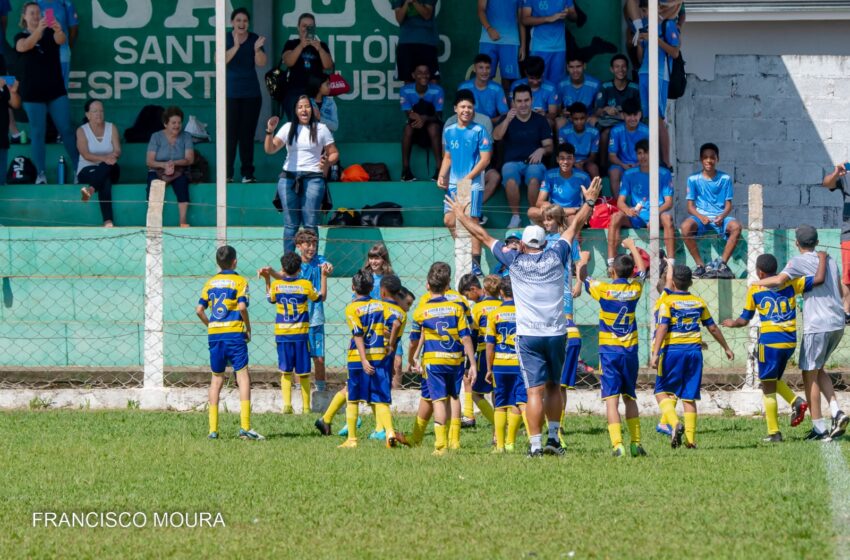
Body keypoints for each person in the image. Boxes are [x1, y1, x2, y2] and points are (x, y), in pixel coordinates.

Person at [445, 176, 603, 457]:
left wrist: (461, 215)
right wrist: (589, 201)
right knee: (553, 387)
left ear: (523, 243)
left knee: (533, 392)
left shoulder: (514, 260)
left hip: (529, 336)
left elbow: (482, 235)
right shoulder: (556, 254)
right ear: (544, 241)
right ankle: (554, 438)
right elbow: (575, 225)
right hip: (556, 332)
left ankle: (536, 445)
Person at [755, 225, 849, 441]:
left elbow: (779, 280)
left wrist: (756, 283)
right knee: (818, 368)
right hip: (837, 322)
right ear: (817, 242)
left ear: (796, 243)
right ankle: (836, 411)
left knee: (809, 374)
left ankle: (819, 428)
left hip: (818, 324)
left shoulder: (797, 261)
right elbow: (842, 289)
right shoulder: (830, 260)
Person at [722, 253, 825, 441]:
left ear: (760, 272)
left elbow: (744, 319)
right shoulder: (790, 283)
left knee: (767, 385)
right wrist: (823, 258)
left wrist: (732, 323)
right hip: (789, 342)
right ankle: (793, 404)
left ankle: (776, 430)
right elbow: (818, 279)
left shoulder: (756, 288)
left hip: (769, 343)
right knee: (772, 379)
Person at [649, 265, 734, 449]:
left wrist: (655, 353)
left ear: (672, 283)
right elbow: (712, 327)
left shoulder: (667, 302)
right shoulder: (698, 302)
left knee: (661, 390)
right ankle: (690, 441)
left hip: (672, 351)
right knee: (689, 396)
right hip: (694, 352)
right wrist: (726, 347)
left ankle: (673, 423)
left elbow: (663, 327)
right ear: (691, 283)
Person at [584, 238, 647, 457]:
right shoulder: (634, 289)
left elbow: (584, 278)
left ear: (612, 272)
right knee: (630, 397)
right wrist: (632, 247)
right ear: (630, 272)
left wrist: (583, 262)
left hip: (609, 352)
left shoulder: (604, 290)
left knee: (611, 400)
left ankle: (617, 445)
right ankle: (636, 443)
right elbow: (643, 272)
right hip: (629, 352)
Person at [196, 245, 263, 441]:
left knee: (216, 379)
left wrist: (211, 325)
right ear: (235, 262)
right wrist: (248, 328)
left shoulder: (210, 283)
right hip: (234, 333)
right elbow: (241, 306)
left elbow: (199, 310)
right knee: (242, 376)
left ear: (218, 262)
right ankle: (245, 427)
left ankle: (213, 430)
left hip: (215, 335)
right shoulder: (240, 281)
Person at [412, 262, 477, 455]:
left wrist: (413, 357)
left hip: (433, 360)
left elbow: (417, 336)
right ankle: (454, 440)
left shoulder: (422, 307)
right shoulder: (458, 304)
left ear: (427, 284)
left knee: (438, 400)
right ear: (448, 283)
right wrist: (473, 363)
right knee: (454, 396)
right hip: (456, 358)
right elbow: (468, 332)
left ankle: (440, 445)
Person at [339, 270, 406, 449]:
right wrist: (391, 345)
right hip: (379, 356)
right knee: (380, 397)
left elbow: (358, 334)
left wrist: (363, 359)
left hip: (358, 358)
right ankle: (389, 432)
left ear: (353, 287)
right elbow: (396, 323)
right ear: (371, 288)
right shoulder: (380, 305)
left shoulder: (351, 308)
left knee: (353, 398)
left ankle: (352, 439)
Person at [264, 96, 339, 253]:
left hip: (314, 179)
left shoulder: (321, 128)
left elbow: (334, 153)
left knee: (310, 224)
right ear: (295, 111)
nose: (304, 110)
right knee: (290, 225)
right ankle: (289, 263)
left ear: (313, 110)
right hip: (288, 179)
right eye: (300, 107)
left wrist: (327, 162)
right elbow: (270, 149)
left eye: (307, 106)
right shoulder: (287, 127)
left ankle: (311, 262)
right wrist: (269, 131)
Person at [15, 1, 78, 185]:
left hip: (55, 90)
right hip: (33, 93)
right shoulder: (20, 36)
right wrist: (39, 30)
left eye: (38, 12)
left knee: (66, 129)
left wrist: (58, 29)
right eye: (32, 13)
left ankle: (79, 169)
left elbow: (61, 40)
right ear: (24, 17)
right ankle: (40, 174)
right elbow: (24, 46)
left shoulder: (49, 32)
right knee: (37, 132)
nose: (36, 16)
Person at [261, 252, 327, 416]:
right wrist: (324, 276)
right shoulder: (305, 285)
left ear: (283, 269)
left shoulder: (277, 285)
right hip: (300, 335)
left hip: (282, 335)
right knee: (303, 372)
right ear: (299, 269)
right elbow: (320, 297)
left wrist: (267, 279)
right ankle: (306, 408)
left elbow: (270, 298)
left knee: (286, 371)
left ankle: (287, 405)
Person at [438, 89, 492, 276]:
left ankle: (475, 263)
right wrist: (442, 174)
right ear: (455, 109)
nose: (466, 110)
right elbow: (447, 156)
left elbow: (485, 160)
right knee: (449, 220)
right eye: (462, 107)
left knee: (472, 221)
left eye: (469, 107)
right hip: (454, 183)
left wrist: (468, 179)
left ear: (473, 109)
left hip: (472, 183)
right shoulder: (449, 131)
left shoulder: (479, 130)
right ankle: (464, 251)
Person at [607, 139, 675, 264]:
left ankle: (671, 262)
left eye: (646, 152)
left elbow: (669, 202)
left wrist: (654, 215)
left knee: (667, 218)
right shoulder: (629, 174)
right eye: (639, 153)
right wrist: (628, 210)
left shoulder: (664, 173)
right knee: (615, 217)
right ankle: (611, 262)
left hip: (657, 215)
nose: (643, 156)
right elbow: (620, 202)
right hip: (636, 216)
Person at [495, 84, 554, 229]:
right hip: (512, 162)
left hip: (534, 163)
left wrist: (542, 150)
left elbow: (549, 146)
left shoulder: (540, 120)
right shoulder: (506, 118)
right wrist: (507, 120)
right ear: (513, 102)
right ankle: (516, 217)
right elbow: (496, 136)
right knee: (509, 176)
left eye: (526, 100)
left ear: (532, 100)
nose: (523, 104)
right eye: (519, 101)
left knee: (534, 178)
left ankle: (533, 217)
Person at [680, 142, 741, 279]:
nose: (709, 160)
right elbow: (690, 207)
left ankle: (722, 264)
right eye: (705, 157)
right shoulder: (693, 179)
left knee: (736, 227)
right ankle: (700, 265)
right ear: (701, 159)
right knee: (685, 227)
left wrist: (722, 216)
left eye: (712, 157)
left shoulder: (725, 179)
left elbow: (728, 205)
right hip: (701, 218)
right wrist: (701, 217)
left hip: (720, 218)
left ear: (717, 159)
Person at [635, 0, 680, 169]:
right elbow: (640, 58)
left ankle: (666, 161)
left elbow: (675, 53)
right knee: (647, 116)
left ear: (658, 8)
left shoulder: (667, 25)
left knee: (658, 117)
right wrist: (640, 42)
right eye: (643, 11)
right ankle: (651, 157)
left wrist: (655, 39)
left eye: (648, 10)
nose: (645, 14)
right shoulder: (644, 26)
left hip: (660, 74)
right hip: (644, 73)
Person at [225, 7, 266, 184]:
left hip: (251, 94)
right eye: (238, 20)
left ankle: (247, 173)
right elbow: (219, 60)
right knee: (230, 135)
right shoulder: (226, 38)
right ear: (232, 22)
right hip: (230, 94)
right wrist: (235, 46)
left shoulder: (255, 39)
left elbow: (262, 63)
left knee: (246, 135)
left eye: (245, 21)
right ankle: (227, 173)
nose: (242, 24)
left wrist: (257, 50)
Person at [486, 276, 527, 453]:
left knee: (500, 404)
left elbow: (490, 344)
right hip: (520, 363)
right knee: (521, 401)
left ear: (501, 292)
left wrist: (489, 368)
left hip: (500, 364)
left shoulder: (494, 314)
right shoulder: (524, 312)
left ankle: (500, 445)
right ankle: (520, 442)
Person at [462, 274, 500, 428]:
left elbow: (472, 336)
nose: (468, 299)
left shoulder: (477, 308)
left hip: (485, 354)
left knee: (476, 393)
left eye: (467, 295)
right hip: (503, 352)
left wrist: (468, 364)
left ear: (474, 289)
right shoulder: (503, 306)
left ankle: (497, 424)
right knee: (498, 392)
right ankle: (504, 423)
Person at [146, 106, 195, 227]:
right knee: (154, 187)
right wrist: (164, 165)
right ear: (165, 124)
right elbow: (149, 161)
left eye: (179, 122)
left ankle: (183, 221)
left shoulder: (186, 136)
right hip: (157, 169)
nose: (177, 125)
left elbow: (190, 159)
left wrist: (174, 163)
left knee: (182, 184)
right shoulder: (156, 136)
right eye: (173, 123)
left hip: (178, 169)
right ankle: (154, 224)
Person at [281, 12, 333, 121]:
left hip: (316, 93)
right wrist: (301, 45)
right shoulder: (291, 43)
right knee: (296, 125)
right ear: (298, 27)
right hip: (295, 92)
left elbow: (328, 65)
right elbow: (288, 62)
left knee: (315, 125)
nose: (307, 29)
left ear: (314, 28)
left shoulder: (322, 45)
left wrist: (319, 49)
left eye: (310, 26)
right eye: (304, 26)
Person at [77, 99, 120, 227]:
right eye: (95, 111)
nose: (99, 114)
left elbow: (117, 150)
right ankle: (108, 221)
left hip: (111, 168)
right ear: (87, 114)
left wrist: (110, 158)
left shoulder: (111, 127)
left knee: (106, 168)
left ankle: (90, 189)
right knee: (105, 180)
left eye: (101, 111)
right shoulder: (81, 130)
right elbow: (86, 154)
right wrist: (105, 159)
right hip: (87, 169)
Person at [594, 54, 641, 172]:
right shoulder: (605, 86)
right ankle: (603, 166)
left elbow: (640, 110)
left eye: (623, 66)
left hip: (629, 123)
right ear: (612, 69)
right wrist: (605, 109)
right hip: (611, 123)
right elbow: (597, 111)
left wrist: (625, 115)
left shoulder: (634, 88)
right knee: (605, 133)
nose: (620, 70)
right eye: (617, 67)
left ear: (628, 68)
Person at [400, 64, 444, 182]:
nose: (423, 75)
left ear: (430, 75)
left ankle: (439, 169)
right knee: (408, 128)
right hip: (416, 125)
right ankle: (406, 171)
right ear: (413, 75)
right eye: (419, 72)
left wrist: (425, 118)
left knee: (433, 128)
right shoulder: (405, 90)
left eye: (426, 72)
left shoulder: (437, 90)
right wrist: (419, 119)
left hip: (432, 123)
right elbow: (409, 113)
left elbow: (438, 115)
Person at [529, 142, 590, 224]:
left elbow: (590, 201)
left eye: (569, 158)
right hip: (554, 213)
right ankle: (554, 226)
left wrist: (579, 211)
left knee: (573, 220)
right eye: (562, 158)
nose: (565, 162)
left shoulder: (583, 177)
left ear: (573, 159)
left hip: (572, 213)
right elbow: (539, 202)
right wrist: (550, 207)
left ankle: (559, 227)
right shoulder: (549, 175)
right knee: (531, 211)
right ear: (557, 159)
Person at [820, 164, 850, 321]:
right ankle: (847, 311)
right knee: (847, 275)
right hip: (849, 234)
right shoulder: (846, 170)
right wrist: (836, 173)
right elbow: (827, 183)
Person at [521, 0, 575, 83]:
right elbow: (524, 19)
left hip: (559, 48)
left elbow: (574, 17)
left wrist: (569, 14)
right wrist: (548, 18)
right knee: (537, 81)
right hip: (539, 47)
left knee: (557, 84)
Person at [477, 0, 524, 94]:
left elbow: (521, 20)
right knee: (484, 78)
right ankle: (486, 103)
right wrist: (489, 29)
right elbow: (480, 10)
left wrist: (523, 45)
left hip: (511, 41)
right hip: (488, 40)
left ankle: (507, 104)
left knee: (509, 81)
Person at [607, 97, 648, 199]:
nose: (632, 118)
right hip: (622, 165)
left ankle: (643, 204)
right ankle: (618, 203)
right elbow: (612, 156)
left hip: (641, 163)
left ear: (640, 114)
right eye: (629, 115)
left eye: (635, 114)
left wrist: (637, 164)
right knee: (613, 171)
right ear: (623, 115)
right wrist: (623, 165)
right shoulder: (616, 131)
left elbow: (651, 155)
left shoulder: (647, 131)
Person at [392, 0, 440, 82]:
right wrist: (406, 3)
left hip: (427, 41)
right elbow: (399, 19)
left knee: (432, 79)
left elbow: (427, 15)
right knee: (408, 79)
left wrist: (414, 2)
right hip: (406, 41)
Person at [457, 54, 509, 123]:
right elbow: (458, 112)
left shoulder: (497, 89)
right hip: (468, 124)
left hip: (489, 125)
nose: (484, 71)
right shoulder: (464, 87)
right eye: (481, 68)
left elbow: (505, 115)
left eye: (487, 68)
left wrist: (486, 122)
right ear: (474, 69)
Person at [37, 0, 78, 87]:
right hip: (39, 54)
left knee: (61, 88)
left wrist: (67, 47)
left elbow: (73, 29)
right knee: (40, 87)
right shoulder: (35, 2)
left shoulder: (66, 3)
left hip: (62, 54)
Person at [509, 56, 560, 127]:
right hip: (520, 118)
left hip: (541, 120)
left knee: (548, 122)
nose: (535, 82)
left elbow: (553, 113)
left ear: (543, 73)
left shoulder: (551, 88)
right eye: (532, 78)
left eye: (538, 78)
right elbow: (513, 110)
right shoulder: (516, 85)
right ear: (526, 73)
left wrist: (544, 114)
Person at [556, 103, 600, 178]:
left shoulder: (594, 132)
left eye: (582, 118)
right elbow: (563, 154)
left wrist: (582, 162)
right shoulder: (563, 132)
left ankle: (598, 186)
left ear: (586, 117)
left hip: (586, 161)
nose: (579, 122)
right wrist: (573, 162)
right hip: (568, 160)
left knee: (593, 168)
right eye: (576, 119)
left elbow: (593, 156)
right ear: (571, 118)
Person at [556, 56, 601, 127]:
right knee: (559, 122)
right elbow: (557, 109)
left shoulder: (595, 84)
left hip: (587, 118)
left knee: (594, 120)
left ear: (584, 66)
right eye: (571, 67)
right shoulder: (561, 84)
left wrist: (592, 116)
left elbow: (597, 109)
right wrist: (562, 112)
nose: (575, 71)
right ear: (567, 67)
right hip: (569, 118)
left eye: (578, 66)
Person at [0, 76, 20, 185]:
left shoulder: (3, 85)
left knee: (1, 182)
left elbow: (16, 104)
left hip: (2, 140)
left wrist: (13, 92)